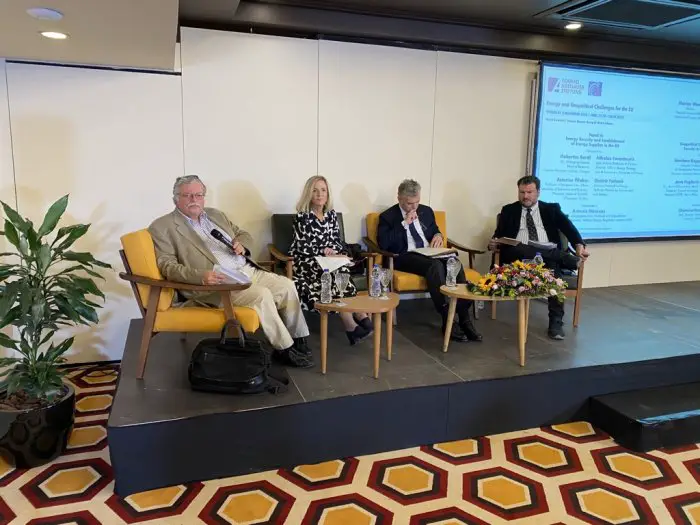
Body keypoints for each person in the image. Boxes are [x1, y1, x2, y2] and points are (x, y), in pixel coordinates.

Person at [149, 175, 313, 368]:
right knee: (261, 295)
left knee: (286, 285)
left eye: (198, 195)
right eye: (187, 195)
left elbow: (243, 234)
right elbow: (167, 266)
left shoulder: (215, 215)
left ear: (204, 197)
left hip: (244, 270)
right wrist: (201, 277)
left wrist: (241, 244)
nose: (194, 200)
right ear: (175, 198)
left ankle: (299, 339)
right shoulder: (162, 227)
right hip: (217, 284)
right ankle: (284, 349)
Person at [377, 179, 482, 343]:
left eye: (417, 202)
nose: (414, 207)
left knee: (454, 261)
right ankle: (447, 317)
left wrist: (438, 236)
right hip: (404, 256)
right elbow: (384, 243)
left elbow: (435, 230)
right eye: (409, 204)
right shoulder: (387, 217)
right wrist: (404, 224)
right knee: (435, 266)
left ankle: (464, 318)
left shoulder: (426, 211)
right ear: (399, 198)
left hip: (429, 252)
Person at [488, 174, 590, 340]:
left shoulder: (551, 209)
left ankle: (556, 322)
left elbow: (569, 229)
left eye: (529, 192)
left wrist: (579, 245)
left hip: (545, 258)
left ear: (538, 192)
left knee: (553, 274)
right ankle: (563, 258)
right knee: (521, 246)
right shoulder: (509, 210)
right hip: (517, 258)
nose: (525, 196)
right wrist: (492, 244)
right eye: (522, 192)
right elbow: (498, 236)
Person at [289, 176, 374, 345]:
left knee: (340, 268)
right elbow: (301, 246)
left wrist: (336, 252)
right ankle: (354, 319)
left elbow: (337, 241)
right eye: (315, 190)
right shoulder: (302, 217)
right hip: (307, 263)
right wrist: (322, 251)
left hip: (329, 261)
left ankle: (353, 322)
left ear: (327, 194)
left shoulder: (331, 215)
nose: (319, 194)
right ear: (308, 193)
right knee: (335, 272)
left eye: (323, 190)